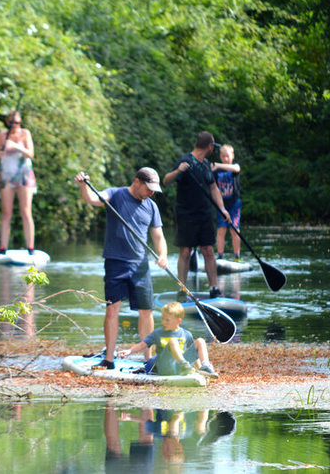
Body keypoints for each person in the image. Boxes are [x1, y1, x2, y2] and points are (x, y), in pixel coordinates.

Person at [75, 167, 169, 369]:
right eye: (149, 188)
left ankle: (148, 359)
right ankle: (109, 358)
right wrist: (83, 186)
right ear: (137, 182)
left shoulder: (151, 206)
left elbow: (158, 236)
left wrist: (163, 255)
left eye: (154, 190)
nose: (151, 193)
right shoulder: (115, 194)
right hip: (115, 262)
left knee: (146, 311)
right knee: (112, 310)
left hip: (140, 266)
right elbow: (92, 199)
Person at [163, 131, 230, 298]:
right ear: (209, 146)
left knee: (208, 250)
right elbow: (166, 180)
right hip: (186, 214)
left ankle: (213, 287)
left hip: (204, 214)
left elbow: (213, 188)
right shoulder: (185, 161)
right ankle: (182, 289)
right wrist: (178, 171)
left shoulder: (206, 164)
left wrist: (222, 209)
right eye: (212, 147)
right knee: (185, 251)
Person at [117, 301, 218, 377]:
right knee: (173, 341)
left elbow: (194, 353)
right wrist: (129, 351)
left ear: (178, 321)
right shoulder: (158, 333)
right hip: (165, 367)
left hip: (179, 368)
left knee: (200, 341)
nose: (163, 322)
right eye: (162, 319)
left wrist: (198, 369)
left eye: (167, 320)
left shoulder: (186, 334)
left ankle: (205, 367)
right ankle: (184, 366)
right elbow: (142, 344)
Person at [0, 109, 36, 255]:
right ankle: (3, 248)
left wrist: (17, 146)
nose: (15, 125)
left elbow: (31, 154)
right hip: (6, 176)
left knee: (26, 211)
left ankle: (30, 248)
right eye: (13, 122)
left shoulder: (25, 133)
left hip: (24, 175)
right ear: (8, 122)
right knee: (6, 212)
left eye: (18, 122)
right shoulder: (2, 136)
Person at [211, 143, 241, 260]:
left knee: (234, 229)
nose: (225, 159)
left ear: (232, 156)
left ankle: (237, 256)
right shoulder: (216, 171)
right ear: (220, 156)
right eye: (223, 156)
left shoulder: (234, 167)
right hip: (221, 204)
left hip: (234, 204)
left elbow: (236, 168)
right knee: (221, 229)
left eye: (227, 156)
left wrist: (218, 165)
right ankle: (220, 256)